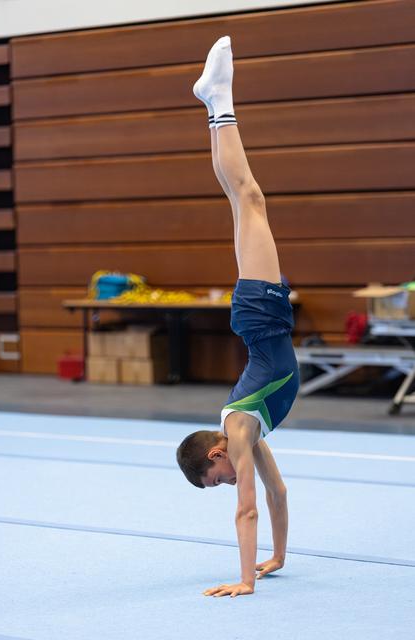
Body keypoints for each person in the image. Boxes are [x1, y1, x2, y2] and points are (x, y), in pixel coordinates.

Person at [176, 36, 300, 598]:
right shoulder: (249, 429)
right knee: (241, 198)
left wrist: (246, 580)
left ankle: (218, 101)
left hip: (263, 321)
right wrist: (276, 556)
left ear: (217, 455)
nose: (226, 484)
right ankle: (214, 103)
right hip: (260, 322)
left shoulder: (239, 429)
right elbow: (274, 494)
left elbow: (246, 509)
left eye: (215, 478)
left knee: (249, 197)